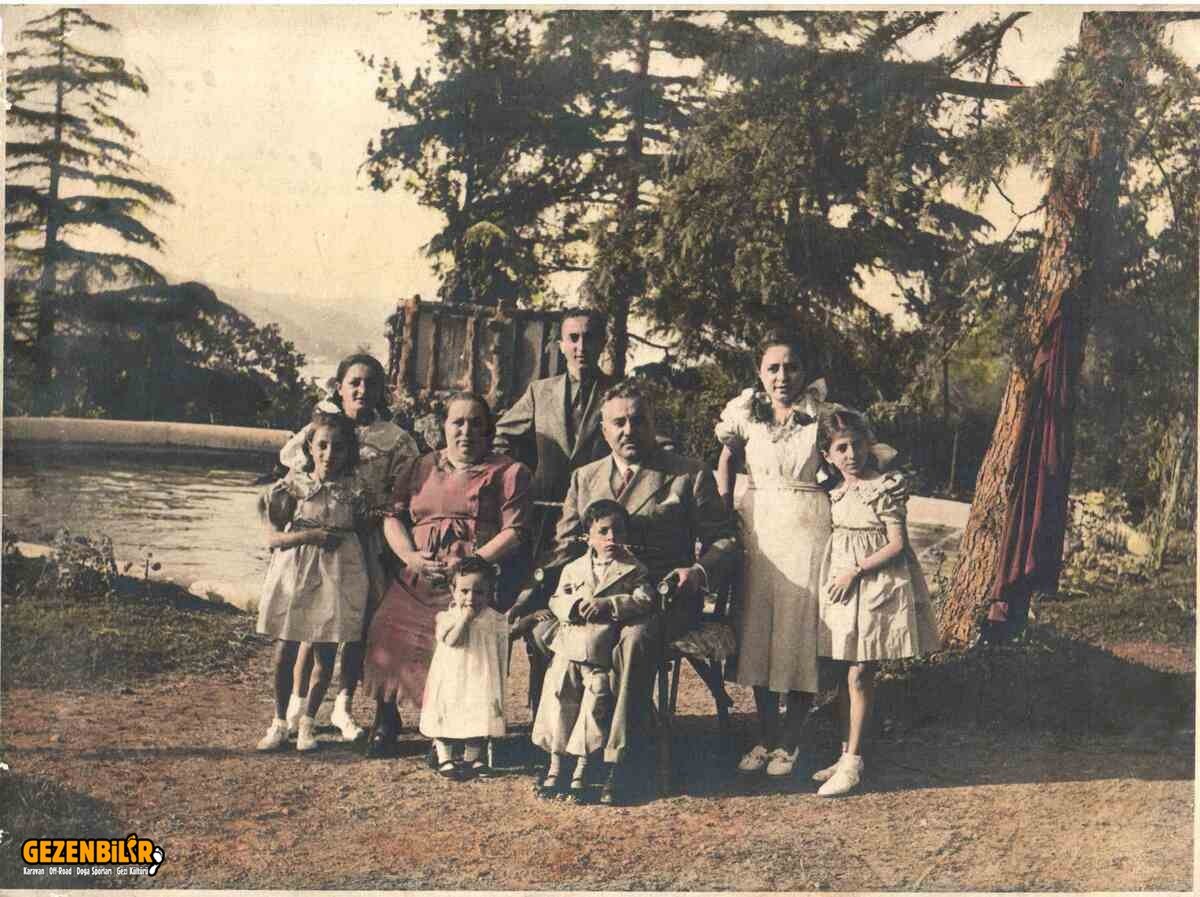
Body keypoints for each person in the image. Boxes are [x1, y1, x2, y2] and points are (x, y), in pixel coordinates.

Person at [544, 380, 738, 804]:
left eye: (638, 420)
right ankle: (567, 755)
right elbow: (564, 548)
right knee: (551, 633)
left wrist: (698, 571)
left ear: (652, 423)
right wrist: (554, 597)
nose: (629, 430)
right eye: (619, 422)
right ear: (604, 429)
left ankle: (621, 760)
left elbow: (725, 540)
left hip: (663, 599)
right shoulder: (584, 478)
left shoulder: (687, 474)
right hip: (598, 598)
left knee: (634, 638)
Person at [360, 391, 532, 757]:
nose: (466, 431)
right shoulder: (421, 466)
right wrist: (410, 557)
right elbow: (392, 517)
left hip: (471, 584)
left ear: (489, 430)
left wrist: (471, 565)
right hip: (419, 575)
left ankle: (453, 730)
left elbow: (515, 531)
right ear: (445, 427)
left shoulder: (508, 471)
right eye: (458, 422)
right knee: (386, 624)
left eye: (476, 423)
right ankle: (386, 716)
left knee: (460, 640)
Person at [278, 353, 420, 743]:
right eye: (354, 382)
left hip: (368, 539)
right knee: (312, 621)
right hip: (322, 537)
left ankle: (343, 703)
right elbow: (294, 468)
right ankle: (297, 706)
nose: (362, 390)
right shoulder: (321, 428)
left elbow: (408, 487)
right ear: (339, 387)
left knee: (359, 623)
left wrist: (384, 512)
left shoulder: (394, 439)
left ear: (381, 390)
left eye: (370, 383)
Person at [715, 333, 835, 777]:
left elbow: (846, 463)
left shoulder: (822, 414)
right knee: (759, 629)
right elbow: (726, 461)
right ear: (760, 373)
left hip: (808, 526)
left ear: (804, 372)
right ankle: (764, 736)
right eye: (773, 368)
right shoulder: (746, 411)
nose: (782, 377)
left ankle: (791, 740)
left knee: (798, 628)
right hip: (759, 526)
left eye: (791, 367)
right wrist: (723, 511)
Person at [813, 408, 939, 797]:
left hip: (876, 584)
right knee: (843, 671)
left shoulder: (883, 487)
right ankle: (845, 753)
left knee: (860, 672)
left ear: (869, 444)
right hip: (843, 588)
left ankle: (854, 762)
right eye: (841, 448)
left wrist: (856, 570)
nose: (851, 454)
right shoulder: (834, 489)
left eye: (857, 445)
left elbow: (898, 544)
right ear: (828, 454)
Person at [256, 410, 369, 753]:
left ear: (349, 451)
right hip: (297, 572)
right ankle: (279, 721)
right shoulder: (292, 486)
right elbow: (273, 538)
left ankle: (308, 721)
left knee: (326, 650)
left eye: (338, 447)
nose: (329, 454)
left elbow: (364, 534)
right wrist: (312, 536)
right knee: (285, 648)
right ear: (309, 447)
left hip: (338, 574)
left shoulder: (355, 491)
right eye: (322, 446)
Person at [531, 499, 654, 800]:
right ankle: (556, 764)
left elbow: (645, 599)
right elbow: (557, 599)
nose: (612, 538)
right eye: (604, 531)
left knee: (593, 704)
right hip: (570, 647)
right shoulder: (574, 568)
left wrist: (609, 604)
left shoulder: (633, 569)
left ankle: (582, 769)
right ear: (588, 536)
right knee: (560, 697)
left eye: (618, 531)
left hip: (600, 651)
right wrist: (572, 607)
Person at [495, 308, 614, 620]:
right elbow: (500, 437)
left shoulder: (617, 392)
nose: (580, 347)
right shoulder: (540, 391)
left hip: (596, 511)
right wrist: (515, 477)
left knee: (583, 600)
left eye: (589, 338)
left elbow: (649, 441)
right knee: (529, 593)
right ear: (561, 345)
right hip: (543, 512)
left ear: (602, 343)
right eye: (573, 338)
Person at [419, 556, 510, 780]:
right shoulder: (448, 617)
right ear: (453, 590)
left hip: (480, 675)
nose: (471, 598)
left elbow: (502, 643)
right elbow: (453, 640)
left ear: (489, 593)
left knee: (479, 713)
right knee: (447, 712)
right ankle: (445, 758)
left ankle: (472, 759)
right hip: (453, 677)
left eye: (479, 592)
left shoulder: (494, 618)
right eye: (464, 591)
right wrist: (466, 619)